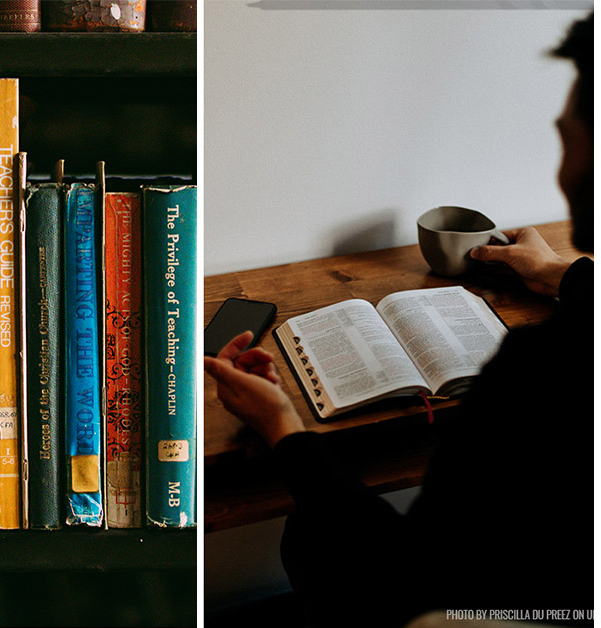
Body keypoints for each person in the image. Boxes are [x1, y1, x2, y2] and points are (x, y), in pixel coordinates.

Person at [204, 14, 592, 627]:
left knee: (313, 540)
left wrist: (282, 428)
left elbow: (401, 586)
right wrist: (561, 275)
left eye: (567, 130)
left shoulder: (543, 371)